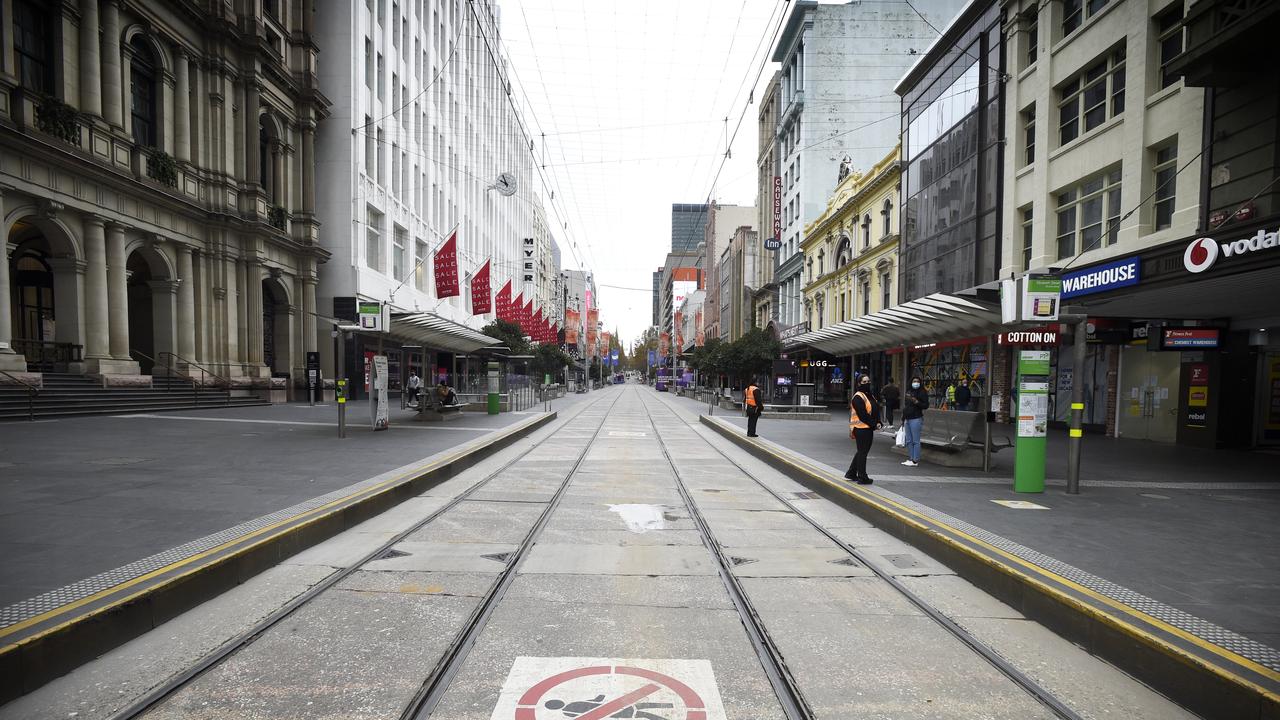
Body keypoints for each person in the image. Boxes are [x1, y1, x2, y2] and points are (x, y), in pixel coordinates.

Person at [845, 375, 882, 485]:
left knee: (862, 451)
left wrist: (878, 421)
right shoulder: (857, 397)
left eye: (868, 381)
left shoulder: (869, 395)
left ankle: (851, 473)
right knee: (863, 452)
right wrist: (874, 424)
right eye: (864, 381)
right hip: (860, 428)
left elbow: (875, 410)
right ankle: (862, 477)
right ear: (859, 383)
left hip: (867, 427)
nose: (867, 383)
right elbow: (862, 415)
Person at [901, 375, 929, 467]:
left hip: (916, 418)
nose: (915, 383)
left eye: (917, 381)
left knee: (915, 441)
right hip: (908, 418)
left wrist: (916, 402)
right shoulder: (909, 391)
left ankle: (915, 460)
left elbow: (925, 405)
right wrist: (903, 418)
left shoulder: (922, 392)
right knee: (909, 440)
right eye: (914, 381)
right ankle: (911, 458)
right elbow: (906, 405)